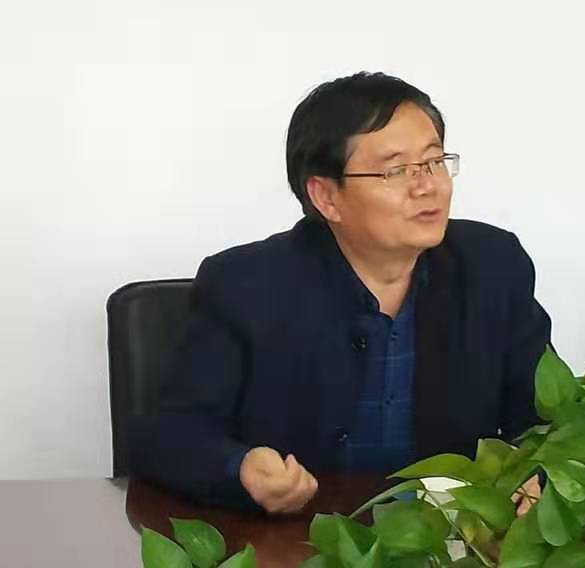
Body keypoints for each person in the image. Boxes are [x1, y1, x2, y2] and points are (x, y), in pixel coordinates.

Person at [129, 71, 551, 515]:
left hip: (446, 534)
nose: (427, 186)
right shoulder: (247, 285)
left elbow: (547, 417)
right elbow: (169, 435)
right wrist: (242, 468)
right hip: (296, 534)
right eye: (396, 170)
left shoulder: (492, 267)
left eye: (433, 162)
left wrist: (539, 474)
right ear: (326, 197)